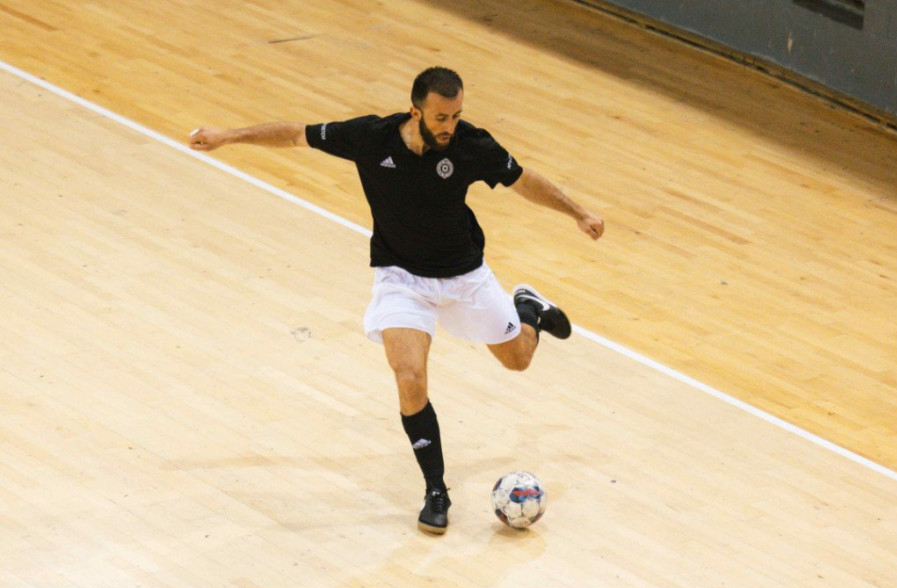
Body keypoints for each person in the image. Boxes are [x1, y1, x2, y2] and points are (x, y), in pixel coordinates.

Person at [189, 67, 604, 534]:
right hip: (402, 280)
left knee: (518, 360)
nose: (450, 125)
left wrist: (578, 212)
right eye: (441, 117)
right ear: (415, 112)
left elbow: (523, 180)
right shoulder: (373, 137)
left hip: (465, 278)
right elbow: (294, 135)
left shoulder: (471, 145)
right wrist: (228, 136)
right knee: (409, 377)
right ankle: (436, 491)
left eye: (456, 115)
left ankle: (528, 307)